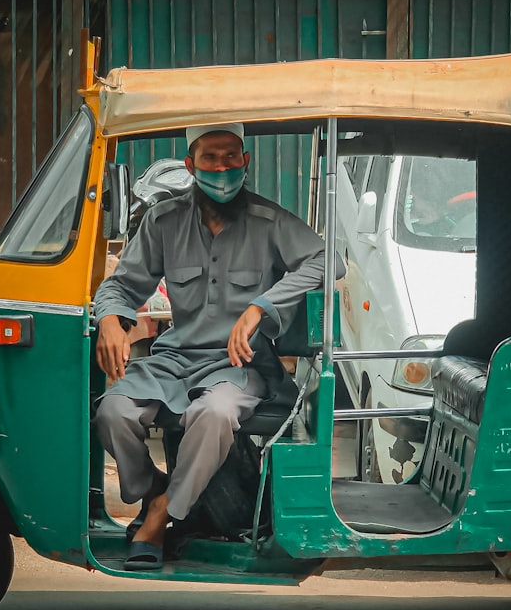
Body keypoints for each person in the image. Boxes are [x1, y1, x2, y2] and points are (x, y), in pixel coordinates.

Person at [93, 123, 341, 571]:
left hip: (237, 364)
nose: (222, 168)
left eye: (231, 157)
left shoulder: (269, 221)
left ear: (245, 162)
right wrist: (109, 318)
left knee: (215, 414)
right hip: (174, 358)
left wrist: (261, 307)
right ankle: (159, 493)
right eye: (210, 158)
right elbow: (122, 285)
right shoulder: (163, 221)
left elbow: (329, 261)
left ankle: (159, 519)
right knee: (113, 412)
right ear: (191, 165)